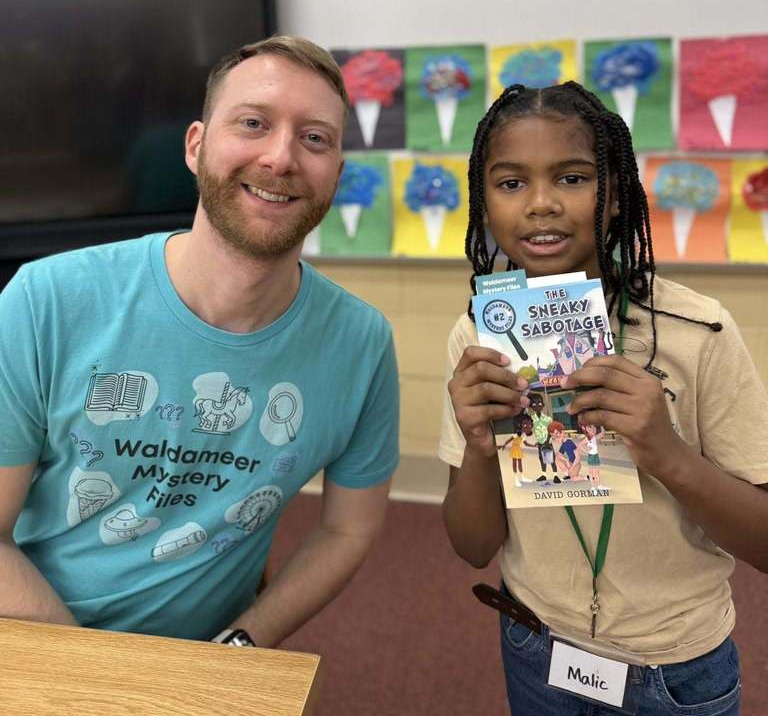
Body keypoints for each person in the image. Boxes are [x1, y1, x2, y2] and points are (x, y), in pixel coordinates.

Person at [0, 36, 399, 646]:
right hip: (35, 637)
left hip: (208, 660)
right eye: (253, 123)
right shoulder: (46, 301)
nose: (280, 157)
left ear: (336, 175)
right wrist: (100, 676)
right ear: (196, 145)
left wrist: (241, 643)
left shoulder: (361, 345)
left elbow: (347, 531)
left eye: (314, 138)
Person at [439, 81, 768, 715]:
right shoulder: (480, 336)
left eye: (572, 178)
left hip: (675, 665)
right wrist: (481, 447)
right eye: (510, 184)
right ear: (484, 201)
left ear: (616, 196)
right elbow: (472, 545)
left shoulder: (697, 331)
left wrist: (666, 451)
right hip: (537, 642)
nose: (540, 205)